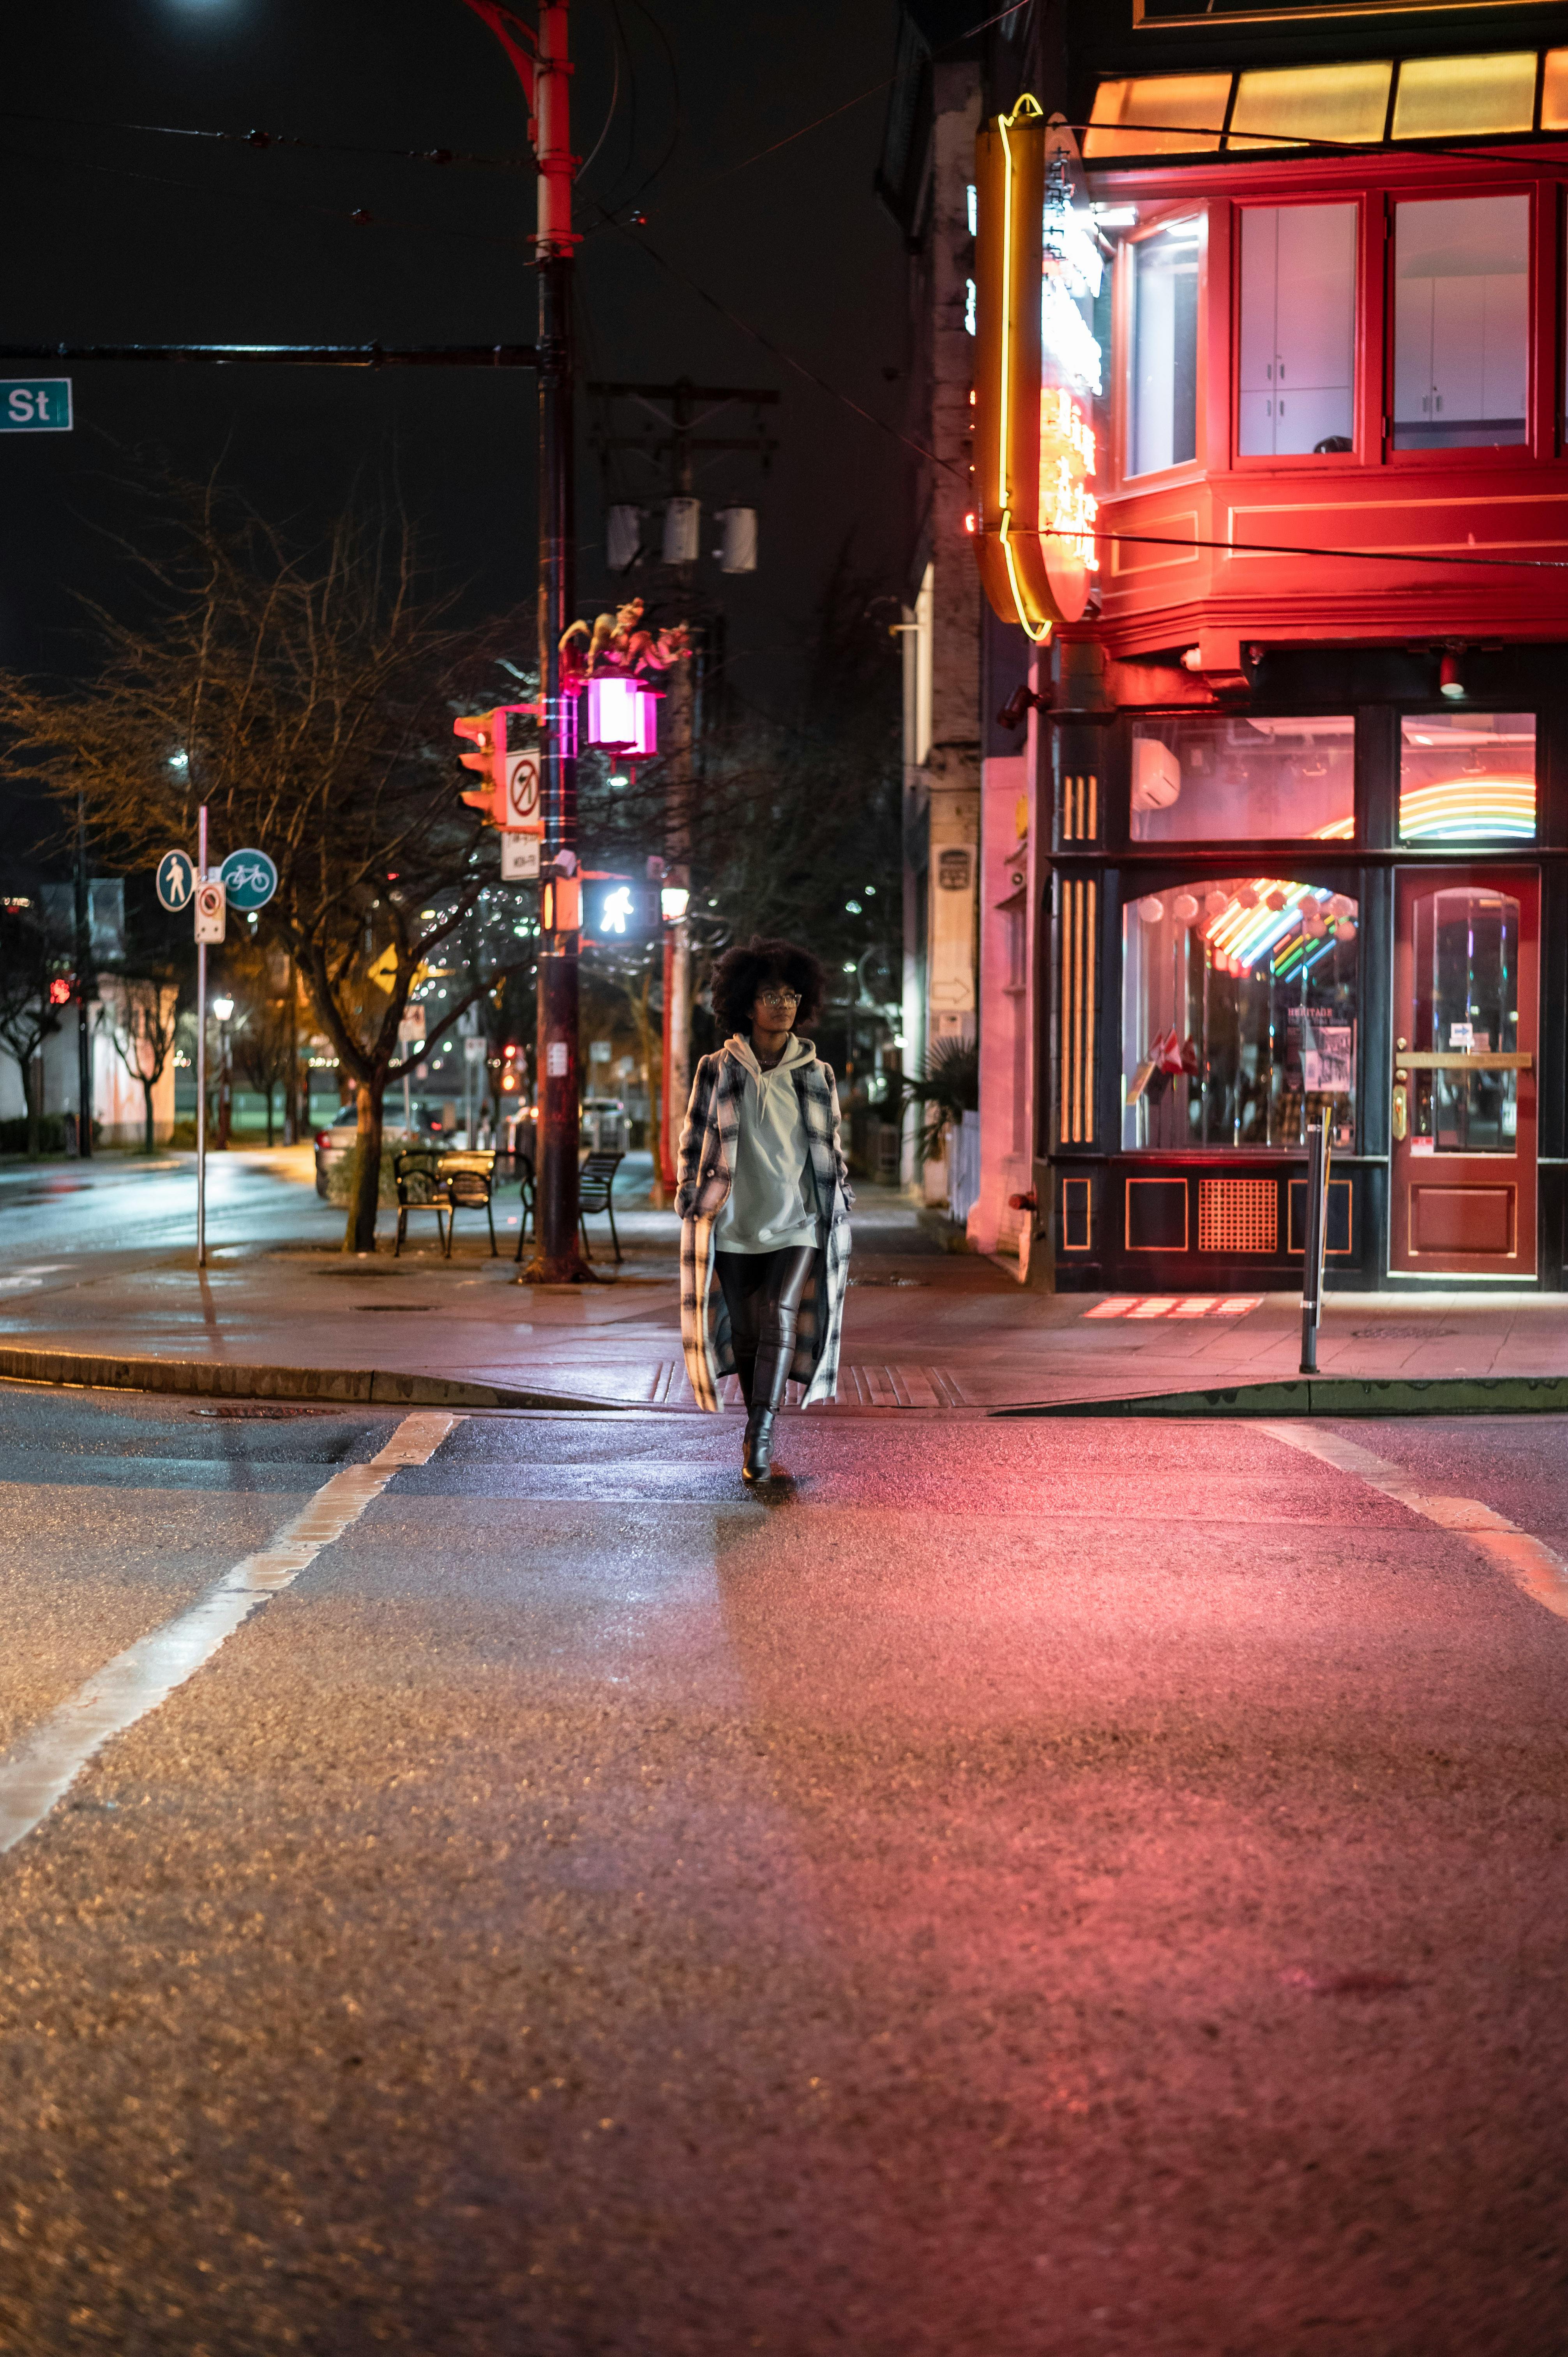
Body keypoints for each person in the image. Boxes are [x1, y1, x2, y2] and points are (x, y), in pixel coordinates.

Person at [676, 936, 853, 1481]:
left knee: (778, 1316)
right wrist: (690, 1194)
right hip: (730, 1225)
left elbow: (832, 1148)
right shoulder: (717, 1068)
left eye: (791, 995)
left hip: (797, 1222)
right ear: (745, 1003)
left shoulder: (816, 1075)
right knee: (748, 1334)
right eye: (770, 994)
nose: (782, 1004)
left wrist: (839, 1199)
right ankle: (755, 1422)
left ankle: (761, 1434)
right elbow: (693, 1138)